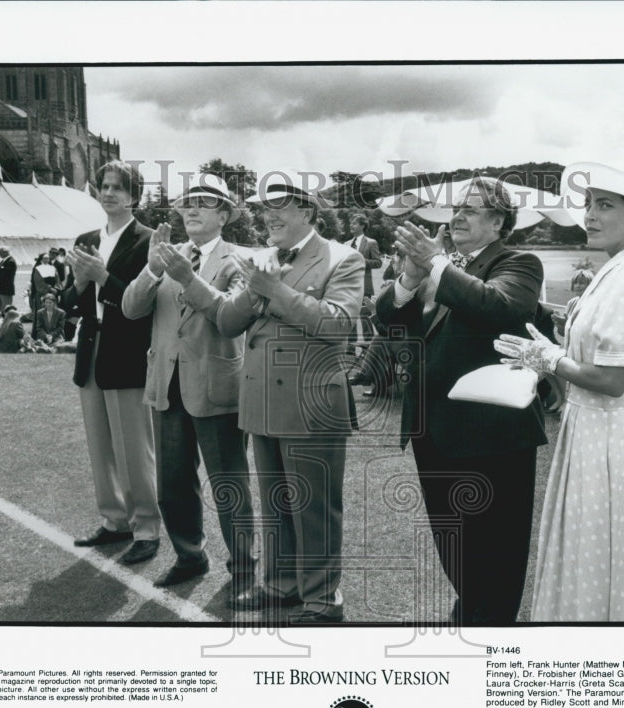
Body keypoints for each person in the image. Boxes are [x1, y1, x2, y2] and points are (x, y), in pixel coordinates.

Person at [495, 160, 624, 621]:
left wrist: (548, 359)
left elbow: (614, 379)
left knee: (604, 549)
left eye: (605, 205)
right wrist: (555, 347)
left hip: (607, 435)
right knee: (595, 550)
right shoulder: (621, 269)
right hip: (594, 429)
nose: (591, 215)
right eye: (588, 204)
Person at [377, 177, 547, 626]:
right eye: (457, 209)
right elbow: (392, 327)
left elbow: (502, 307)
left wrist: (434, 265)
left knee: (497, 550)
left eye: (471, 210)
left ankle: (491, 630)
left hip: (490, 436)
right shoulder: (442, 266)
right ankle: (471, 611)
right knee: (453, 545)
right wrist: (411, 279)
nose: (458, 217)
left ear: (498, 222)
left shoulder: (519, 262)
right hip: (433, 430)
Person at [216, 174, 364, 623]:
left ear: (308, 212)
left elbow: (338, 324)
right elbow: (226, 323)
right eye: (264, 208)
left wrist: (274, 291)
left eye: (280, 205)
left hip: (310, 404)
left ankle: (322, 601)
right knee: (276, 503)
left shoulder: (344, 257)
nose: (269, 215)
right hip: (262, 401)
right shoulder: (261, 259)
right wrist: (256, 291)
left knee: (314, 508)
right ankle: (282, 587)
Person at [121, 174, 256, 593]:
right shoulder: (166, 255)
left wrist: (186, 276)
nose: (192, 209)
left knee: (229, 482)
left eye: (204, 202)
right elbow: (130, 308)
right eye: (187, 202)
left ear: (225, 215)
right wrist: (151, 269)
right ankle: (190, 555)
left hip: (217, 387)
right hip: (166, 383)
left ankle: (244, 568)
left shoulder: (242, 260)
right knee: (173, 482)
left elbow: (232, 316)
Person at [63, 160, 161, 565]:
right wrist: (81, 283)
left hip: (129, 350)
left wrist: (102, 277)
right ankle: (114, 520)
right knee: (100, 444)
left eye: (118, 188)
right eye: (103, 186)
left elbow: (144, 303)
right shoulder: (86, 238)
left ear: (133, 196)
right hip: (91, 350)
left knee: (134, 447)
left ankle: (147, 527)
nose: (108, 193)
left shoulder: (149, 240)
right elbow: (70, 304)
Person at [345, 213, 383, 353]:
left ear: (362, 225)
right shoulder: (347, 244)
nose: (351, 226)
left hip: (364, 287)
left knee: (364, 317)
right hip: (348, 286)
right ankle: (350, 347)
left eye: (354, 223)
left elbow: (378, 262)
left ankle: (369, 349)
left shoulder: (371, 243)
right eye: (351, 223)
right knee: (350, 316)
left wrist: (360, 260)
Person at [31, 252, 59, 318]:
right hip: (42, 293)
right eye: (45, 258)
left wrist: (57, 289)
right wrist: (49, 288)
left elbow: (58, 280)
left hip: (53, 293)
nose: (46, 260)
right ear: (41, 259)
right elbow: (38, 282)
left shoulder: (53, 268)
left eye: (48, 258)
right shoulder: (37, 269)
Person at [0, 246, 17, 311]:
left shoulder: (10, 262)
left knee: (5, 309)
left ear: (5, 252)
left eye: (0, 253)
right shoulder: (3, 261)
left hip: (5, 290)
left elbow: (5, 276)